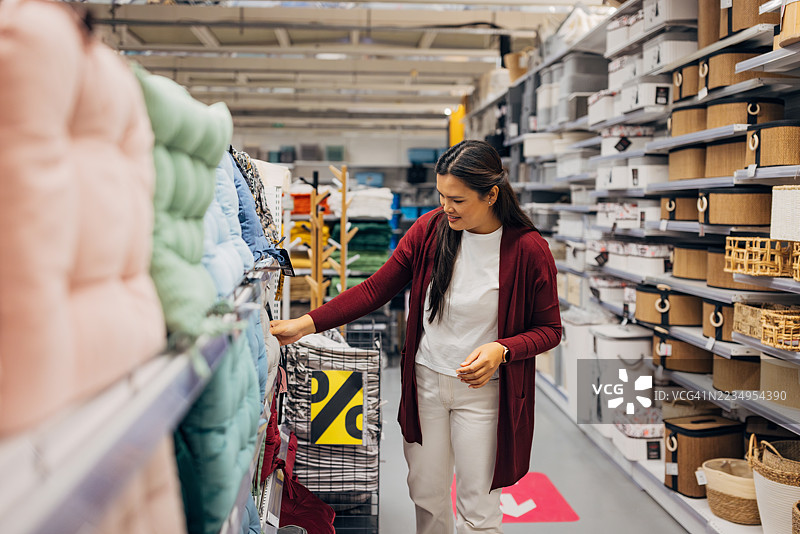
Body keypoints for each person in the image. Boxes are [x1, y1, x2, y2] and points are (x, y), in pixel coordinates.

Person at [270, 140, 562, 534]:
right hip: (425, 385)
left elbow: (550, 330)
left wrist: (502, 349)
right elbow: (375, 289)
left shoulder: (528, 250)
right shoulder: (429, 231)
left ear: (491, 194)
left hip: (485, 393)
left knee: (478, 510)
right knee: (427, 497)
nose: (446, 207)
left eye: (457, 199)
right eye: (441, 195)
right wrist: (305, 324)